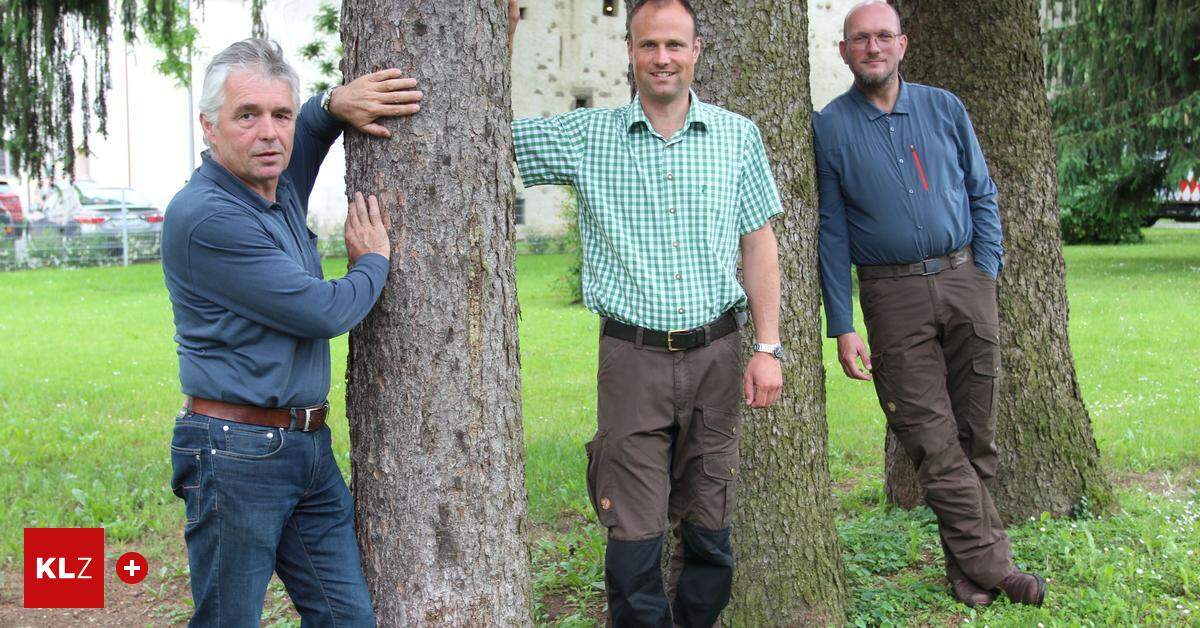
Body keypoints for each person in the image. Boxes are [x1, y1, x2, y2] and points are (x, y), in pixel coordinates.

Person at [509, 0, 784, 625]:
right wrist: (501, 39)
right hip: (631, 361)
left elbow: (759, 242)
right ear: (630, 53)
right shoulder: (588, 136)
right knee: (632, 533)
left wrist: (767, 348)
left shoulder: (738, 137)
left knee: (710, 521)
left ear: (696, 53)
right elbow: (489, 141)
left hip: (718, 354)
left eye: (675, 46)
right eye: (649, 45)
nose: (663, 58)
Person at [161, 38, 423, 626]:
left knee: (345, 618)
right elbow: (323, 312)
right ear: (208, 125)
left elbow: (306, 129)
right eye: (246, 115)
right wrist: (372, 261)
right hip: (235, 452)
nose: (270, 132)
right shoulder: (208, 216)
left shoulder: (274, 189)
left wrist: (330, 103)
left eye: (279, 114)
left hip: (306, 449)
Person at [814, 0, 1046, 608]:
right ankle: (999, 570)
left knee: (978, 435)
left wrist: (986, 272)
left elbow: (982, 191)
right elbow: (831, 233)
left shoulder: (945, 108)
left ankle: (967, 571)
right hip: (891, 297)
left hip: (965, 279)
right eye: (859, 39)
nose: (871, 47)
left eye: (882, 36)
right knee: (932, 440)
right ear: (844, 51)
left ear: (903, 44)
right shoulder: (830, 127)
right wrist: (842, 324)